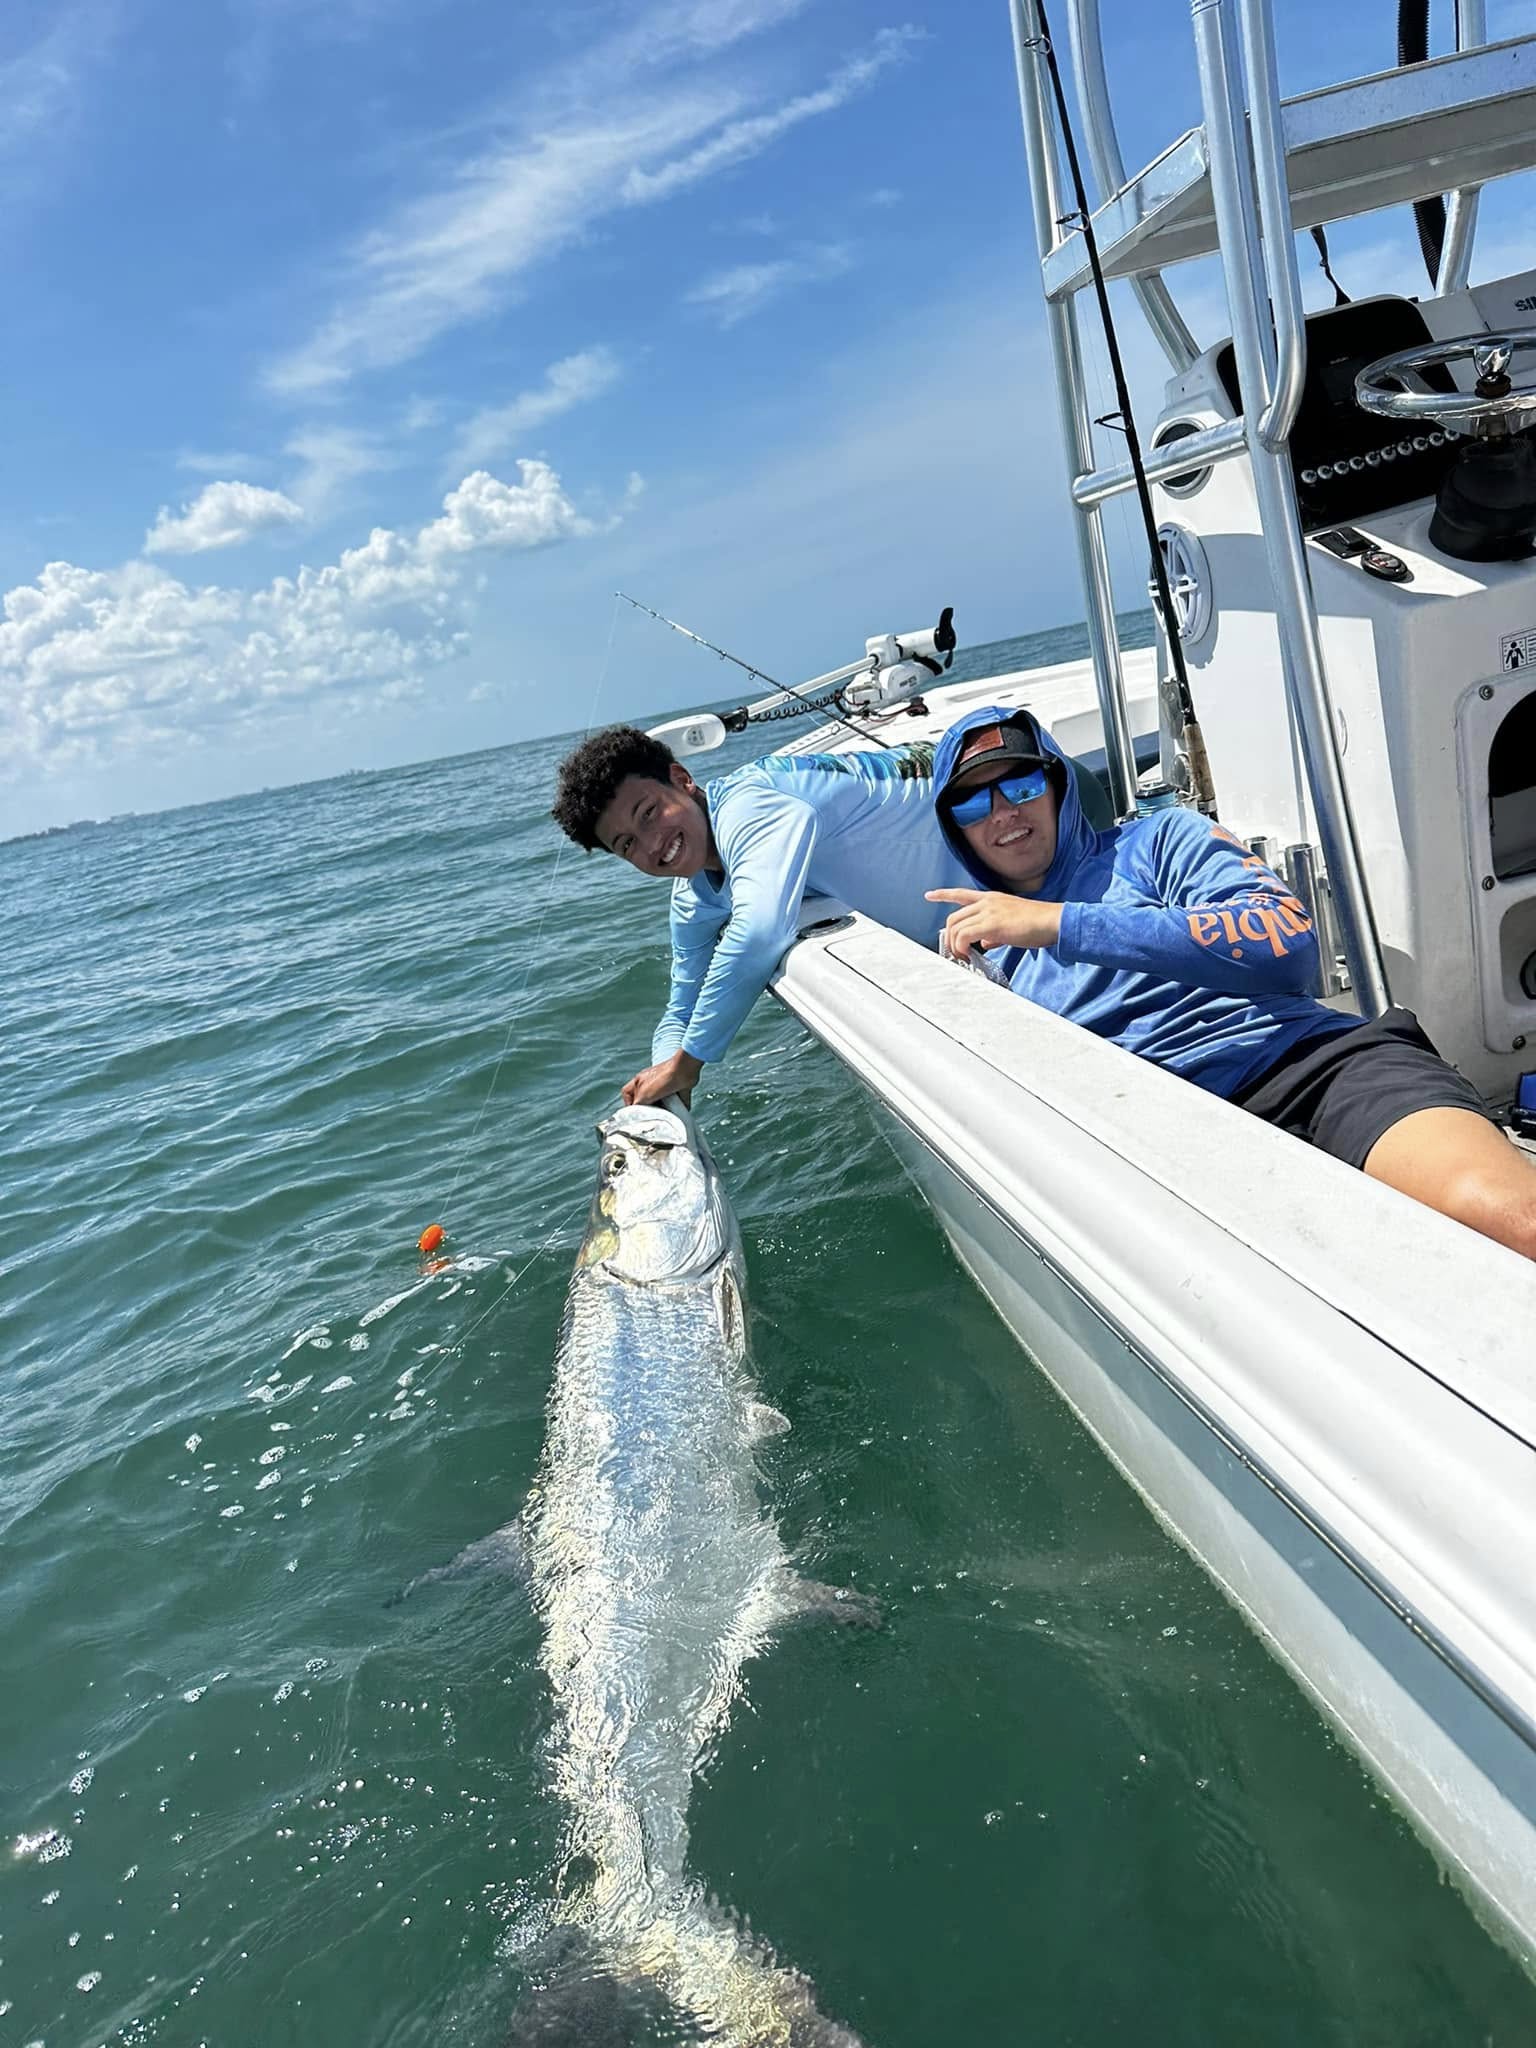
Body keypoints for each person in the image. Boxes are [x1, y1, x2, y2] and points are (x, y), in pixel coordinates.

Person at [926, 704, 1536, 1261]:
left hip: (1309, 1069)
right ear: (954, 826)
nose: (1004, 811)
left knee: (1508, 1217)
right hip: (1165, 1149)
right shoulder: (983, 956)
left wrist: (1060, 924)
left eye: (1023, 784)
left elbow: (1286, 945)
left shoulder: (1160, 840)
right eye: (975, 803)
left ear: (1057, 785)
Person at [551, 723, 973, 1106]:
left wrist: (689, 1063)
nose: (651, 844)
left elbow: (759, 932)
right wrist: (664, 1091)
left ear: (682, 780)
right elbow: (681, 1008)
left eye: (649, 813)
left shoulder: (749, 805)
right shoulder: (693, 893)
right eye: (627, 845)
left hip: (986, 808)